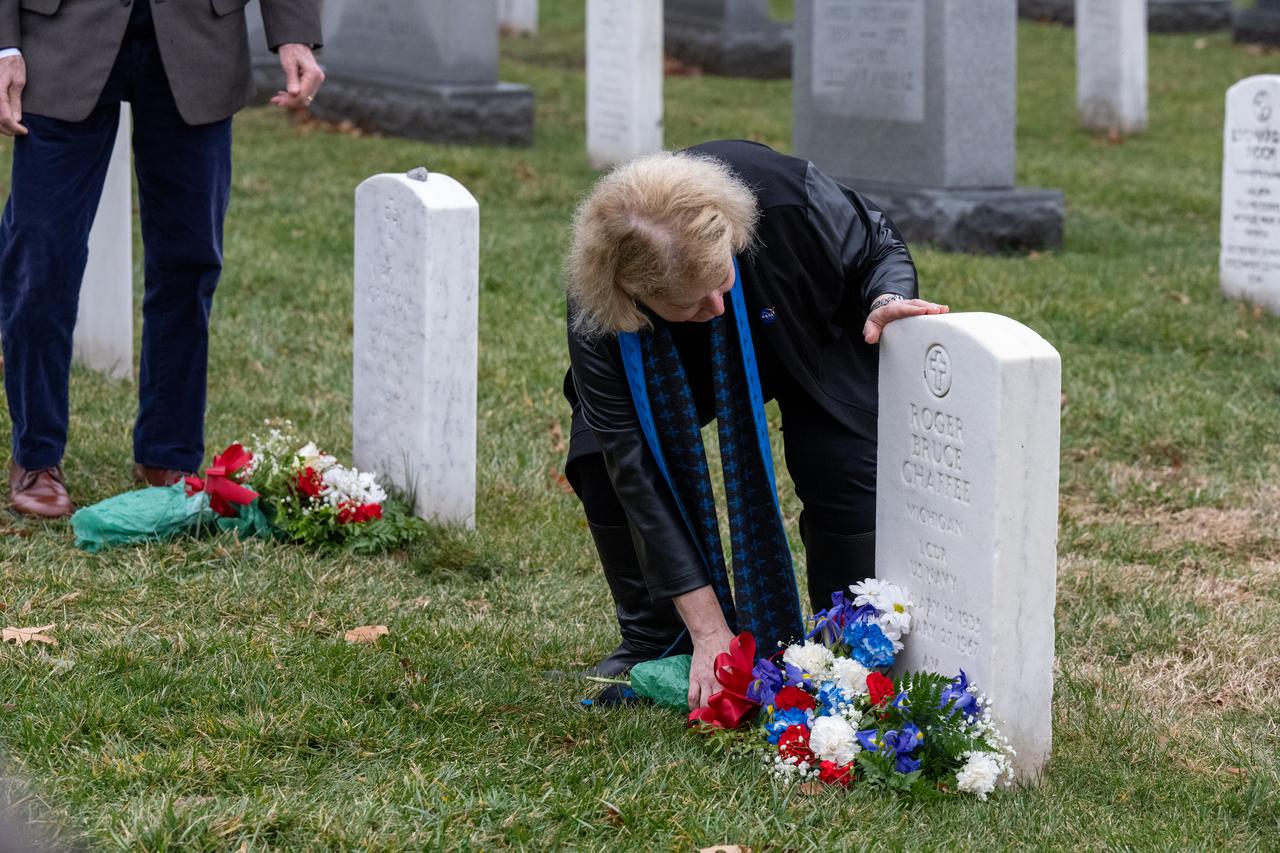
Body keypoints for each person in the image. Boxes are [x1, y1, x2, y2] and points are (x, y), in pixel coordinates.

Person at [562, 140, 949, 708]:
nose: (716, 308)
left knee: (843, 467)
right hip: (676, 362)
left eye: (720, 284)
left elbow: (877, 243)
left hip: (806, 317)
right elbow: (634, 471)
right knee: (598, 454)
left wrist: (888, 296)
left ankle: (848, 642)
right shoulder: (598, 307)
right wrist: (709, 631)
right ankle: (652, 636)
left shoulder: (791, 200)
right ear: (634, 295)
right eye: (695, 304)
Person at [0, 0, 324, 518]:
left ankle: (168, 454)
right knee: (40, 256)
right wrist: (4, 43)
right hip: (60, 37)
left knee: (189, 259)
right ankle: (36, 457)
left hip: (199, 39)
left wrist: (294, 34)